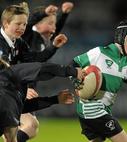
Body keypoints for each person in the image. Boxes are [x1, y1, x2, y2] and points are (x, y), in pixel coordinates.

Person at [0, 2, 71, 142]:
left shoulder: (21, 42)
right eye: (50, 23)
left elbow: (36, 58)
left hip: (12, 91)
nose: (54, 27)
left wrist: (55, 44)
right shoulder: (25, 37)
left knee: (26, 128)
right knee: (29, 125)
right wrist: (44, 12)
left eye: (24, 25)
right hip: (8, 91)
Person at [70, 20, 127, 142]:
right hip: (91, 108)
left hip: (104, 110)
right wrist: (75, 79)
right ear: (122, 37)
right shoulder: (100, 52)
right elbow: (74, 63)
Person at [0, 58, 84, 142]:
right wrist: (73, 71)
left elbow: (23, 108)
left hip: (7, 106)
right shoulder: (12, 71)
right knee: (15, 136)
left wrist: (55, 99)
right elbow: (44, 68)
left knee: (30, 125)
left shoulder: (10, 81)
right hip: (7, 106)